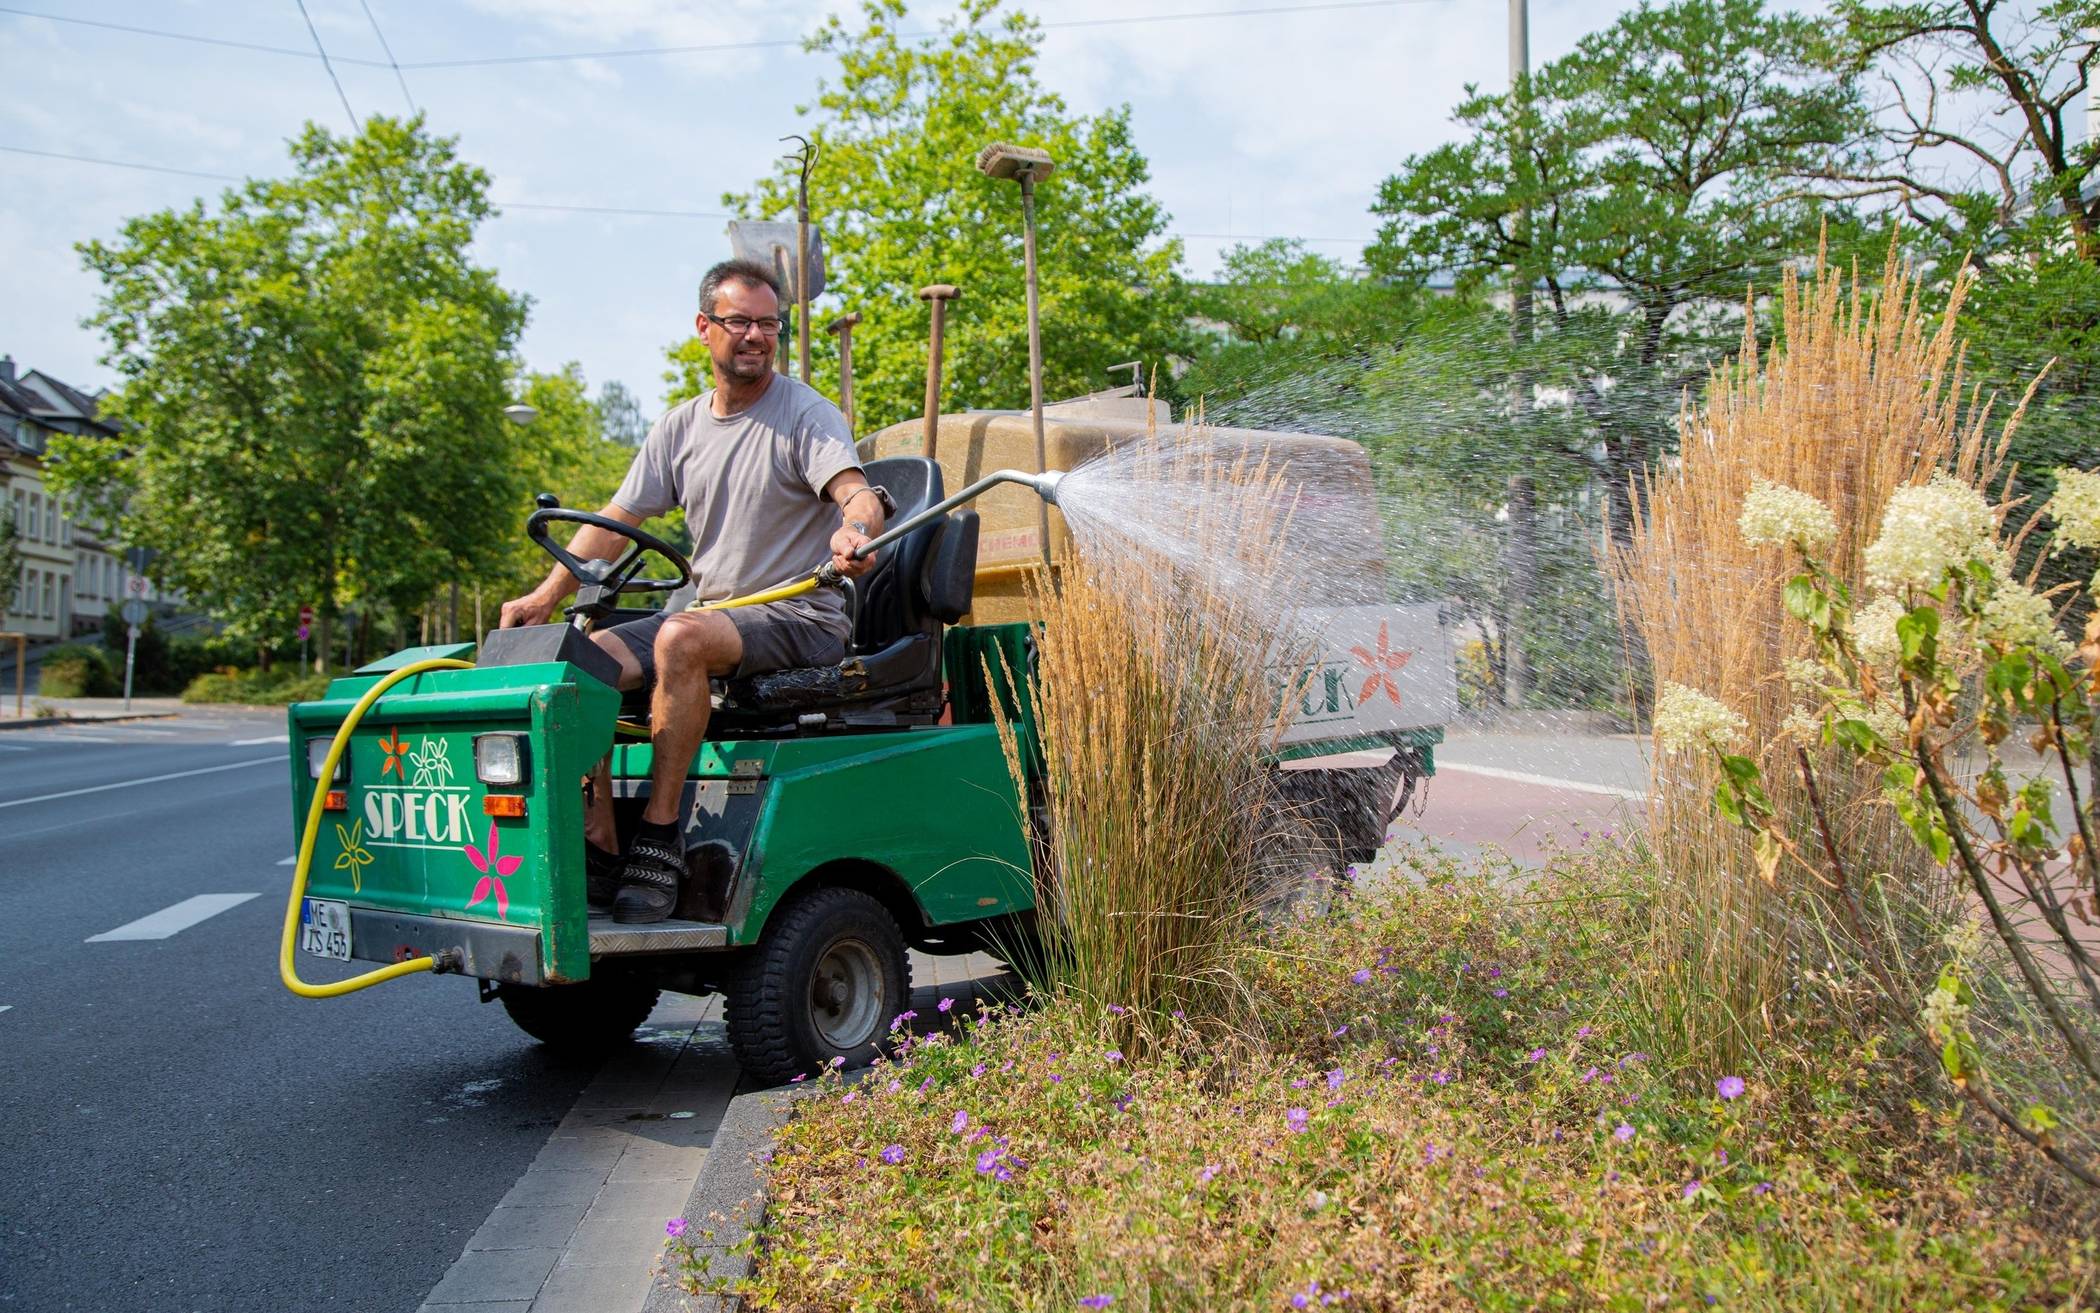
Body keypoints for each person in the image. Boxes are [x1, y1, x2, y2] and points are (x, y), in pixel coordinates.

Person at [498, 258, 888, 923]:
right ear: (705, 328)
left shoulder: (806, 415)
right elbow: (616, 524)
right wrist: (543, 597)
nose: (757, 336)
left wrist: (855, 531)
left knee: (680, 636)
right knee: (575, 655)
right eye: (740, 322)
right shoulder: (679, 429)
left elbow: (857, 494)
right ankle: (599, 837)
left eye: (769, 324)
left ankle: (660, 834)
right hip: (716, 615)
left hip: (799, 615)